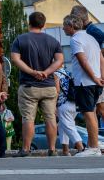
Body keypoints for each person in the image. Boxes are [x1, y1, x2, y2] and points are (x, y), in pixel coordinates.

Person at [9, 10, 64, 156]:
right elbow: (60, 60)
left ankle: (26, 149)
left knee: (28, 118)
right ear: (43, 24)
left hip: (29, 86)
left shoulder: (20, 39)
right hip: (49, 86)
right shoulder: (53, 41)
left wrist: (32, 72)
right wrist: (46, 72)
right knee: (51, 118)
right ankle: (52, 149)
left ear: (29, 23)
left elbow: (15, 59)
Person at [62, 13, 102, 157]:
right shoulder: (91, 38)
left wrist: (94, 78)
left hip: (85, 82)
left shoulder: (75, 39)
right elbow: (101, 59)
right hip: (95, 81)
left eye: (64, 25)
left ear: (71, 26)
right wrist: (100, 78)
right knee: (92, 113)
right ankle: (93, 146)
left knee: (88, 113)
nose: (63, 28)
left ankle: (93, 148)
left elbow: (83, 61)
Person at [55, 68, 84, 155]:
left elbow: (57, 90)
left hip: (63, 104)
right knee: (62, 125)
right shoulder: (68, 73)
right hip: (73, 103)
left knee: (68, 126)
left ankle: (81, 148)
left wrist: (54, 105)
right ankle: (65, 150)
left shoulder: (55, 74)